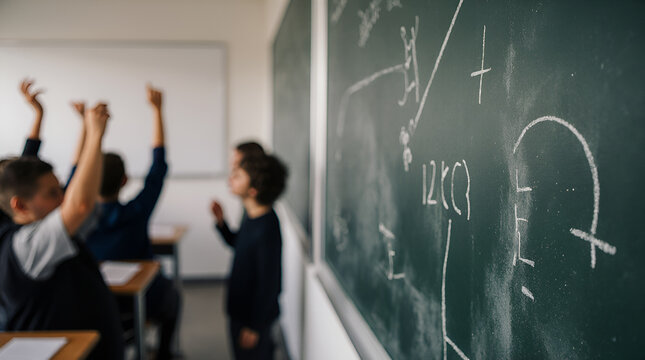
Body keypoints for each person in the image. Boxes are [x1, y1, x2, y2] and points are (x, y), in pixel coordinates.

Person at [0, 103, 125, 360]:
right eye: (53, 193)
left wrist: (88, 133)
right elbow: (79, 205)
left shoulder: (39, 228)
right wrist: (95, 135)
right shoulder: (26, 243)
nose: (62, 198)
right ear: (20, 206)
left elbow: (77, 186)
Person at [73, 86, 180, 360]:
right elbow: (158, 167)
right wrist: (158, 110)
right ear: (124, 181)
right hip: (138, 306)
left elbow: (76, 173)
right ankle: (165, 353)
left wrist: (86, 128)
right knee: (172, 295)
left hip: (93, 306)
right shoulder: (136, 211)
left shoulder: (77, 217)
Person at [211, 154, 288, 360]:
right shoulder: (252, 216)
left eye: (237, 176)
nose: (230, 179)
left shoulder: (266, 229)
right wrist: (221, 223)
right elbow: (238, 244)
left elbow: (269, 285)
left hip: (251, 320)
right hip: (240, 312)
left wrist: (255, 327)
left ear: (253, 190)